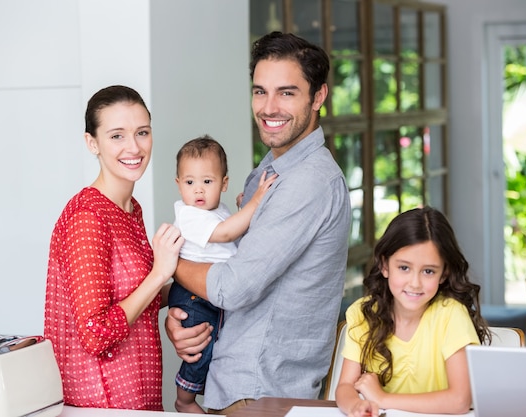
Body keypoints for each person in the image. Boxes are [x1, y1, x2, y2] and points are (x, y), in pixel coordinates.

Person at [165, 31, 352, 415]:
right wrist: (182, 311)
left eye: (286, 92)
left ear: (318, 97)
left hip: (261, 390)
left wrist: (168, 264)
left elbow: (232, 286)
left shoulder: (309, 181)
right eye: (259, 91)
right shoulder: (272, 169)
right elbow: (226, 263)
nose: (269, 107)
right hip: (236, 382)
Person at [43, 85, 184, 410]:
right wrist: (160, 272)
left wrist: (192, 287)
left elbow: (132, 301)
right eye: (117, 135)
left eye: (142, 132)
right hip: (101, 404)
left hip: (136, 398)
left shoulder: (131, 209)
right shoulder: (87, 216)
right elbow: (96, 332)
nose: (134, 147)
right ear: (92, 143)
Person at [335, 206, 492, 417]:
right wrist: (355, 405)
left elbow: (460, 400)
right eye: (404, 268)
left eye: (428, 271)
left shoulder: (451, 315)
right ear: (384, 265)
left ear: (443, 274)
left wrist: (382, 399)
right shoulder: (363, 314)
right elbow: (345, 386)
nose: (415, 283)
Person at [168, 135, 276, 413]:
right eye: (189, 182)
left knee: (213, 345)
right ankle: (185, 399)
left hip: (211, 292)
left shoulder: (216, 211)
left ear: (224, 184)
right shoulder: (189, 215)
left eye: (208, 181)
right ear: (179, 185)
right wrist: (256, 202)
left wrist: (242, 209)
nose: (198, 190)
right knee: (199, 349)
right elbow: (227, 233)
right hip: (194, 295)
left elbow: (231, 240)